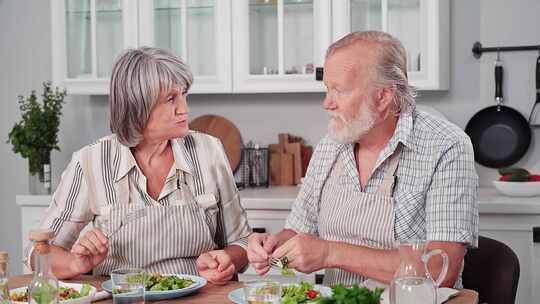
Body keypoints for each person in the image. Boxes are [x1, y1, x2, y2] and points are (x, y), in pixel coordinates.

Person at [247, 31, 479, 287]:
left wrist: (329, 252)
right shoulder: (330, 146)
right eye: (326, 89)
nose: (327, 103)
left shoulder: (446, 147)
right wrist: (274, 245)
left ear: (383, 96)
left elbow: (439, 270)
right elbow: (300, 230)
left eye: (339, 91)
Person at [25, 47, 251, 285]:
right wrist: (75, 263)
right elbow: (35, 253)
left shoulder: (209, 151)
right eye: (170, 99)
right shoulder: (91, 161)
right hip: (124, 298)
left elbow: (244, 243)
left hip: (200, 297)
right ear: (137, 107)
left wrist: (227, 259)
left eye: (184, 94)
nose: (184, 108)